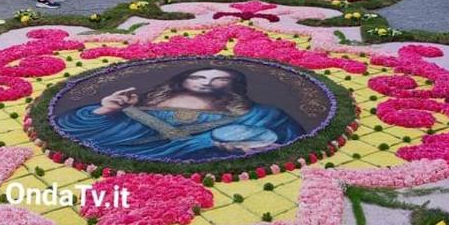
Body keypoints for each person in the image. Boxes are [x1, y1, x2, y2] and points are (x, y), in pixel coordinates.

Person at [55, 67, 304, 161]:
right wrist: (106, 110)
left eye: (219, 79)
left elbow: (289, 141)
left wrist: (256, 146)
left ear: (234, 85)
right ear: (181, 79)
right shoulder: (136, 106)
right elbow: (73, 128)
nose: (207, 83)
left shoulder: (261, 115)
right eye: (198, 76)